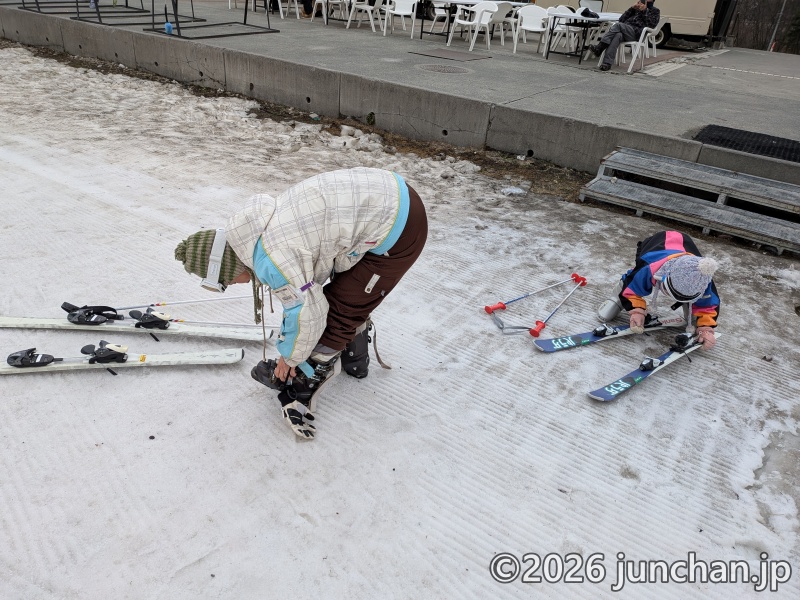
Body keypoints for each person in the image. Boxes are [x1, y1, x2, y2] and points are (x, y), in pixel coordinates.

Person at [174, 168, 428, 439]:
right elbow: (300, 295)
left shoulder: (273, 258)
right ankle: (355, 359)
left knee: (339, 311)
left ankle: (303, 381)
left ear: (225, 266)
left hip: (399, 228)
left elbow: (307, 310)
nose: (234, 285)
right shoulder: (254, 232)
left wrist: (290, 358)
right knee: (347, 293)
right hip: (388, 197)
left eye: (226, 281)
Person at [597, 230, 720, 350]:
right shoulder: (650, 267)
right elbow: (631, 288)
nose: (677, 298)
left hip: (685, 246)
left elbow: (709, 306)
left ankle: (693, 310)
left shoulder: (702, 278)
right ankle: (616, 297)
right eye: (672, 292)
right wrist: (637, 311)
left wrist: (705, 328)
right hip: (655, 245)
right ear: (664, 277)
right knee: (634, 277)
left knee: (697, 318)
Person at [589, 0, 660, 72]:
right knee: (617, 35)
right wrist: (632, 8)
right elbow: (621, 20)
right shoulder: (636, 8)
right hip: (625, 30)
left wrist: (644, 11)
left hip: (637, 34)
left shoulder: (655, 11)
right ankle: (607, 63)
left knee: (618, 25)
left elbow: (651, 25)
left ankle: (600, 47)